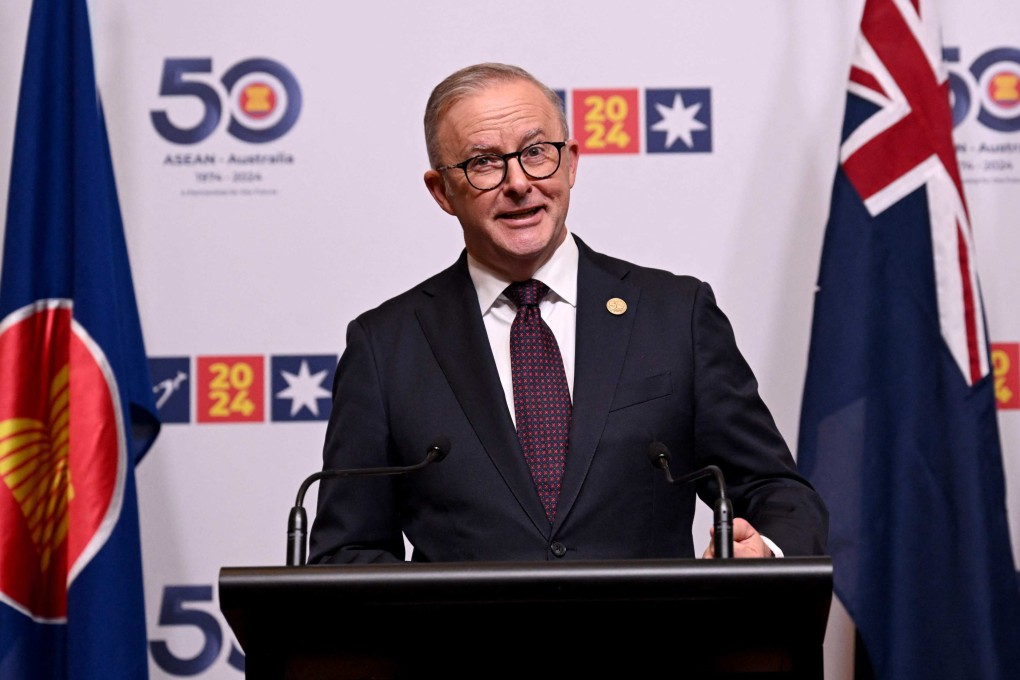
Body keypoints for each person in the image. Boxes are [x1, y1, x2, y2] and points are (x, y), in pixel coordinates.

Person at [308, 63, 827, 564]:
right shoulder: (386, 347)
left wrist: (763, 554)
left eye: (537, 152)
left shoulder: (676, 316)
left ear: (571, 162)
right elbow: (345, 552)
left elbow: (774, 490)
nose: (518, 182)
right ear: (442, 190)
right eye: (484, 162)